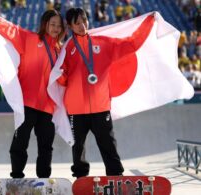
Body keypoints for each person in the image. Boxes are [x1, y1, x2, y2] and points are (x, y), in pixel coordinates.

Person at [56, 7, 154, 178]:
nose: (82, 26)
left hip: (100, 107)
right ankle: (81, 178)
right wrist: (60, 75)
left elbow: (132, 44)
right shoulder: (68, 48)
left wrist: (149, 22)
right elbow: (61, 78)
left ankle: (116, 176)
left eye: (84, 21)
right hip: (76, 109)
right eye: (77, 23)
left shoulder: (103, 42)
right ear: (70, 26)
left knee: (108, 143)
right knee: (77, 146)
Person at [0, 4, 65, 178]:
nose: (56, 28)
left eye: (59, 25)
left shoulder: (60, 50)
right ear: (45, 24)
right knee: (20, 141)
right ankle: (17, 175)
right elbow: (7, 28)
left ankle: (44, 178)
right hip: (27, 102)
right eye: (53, 24)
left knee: (46, 145)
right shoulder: (29, 38)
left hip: (48, 106)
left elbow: (63, 78)